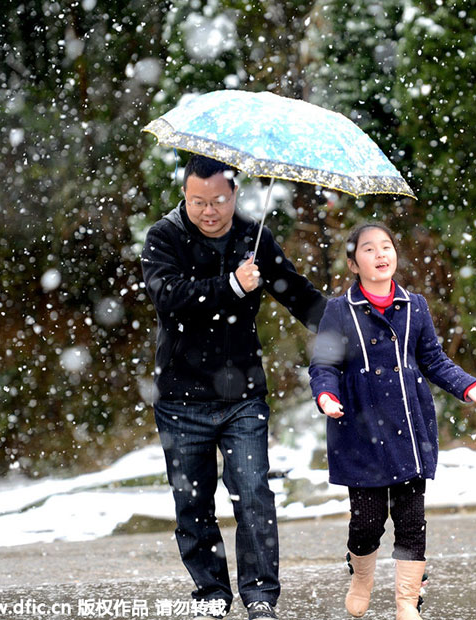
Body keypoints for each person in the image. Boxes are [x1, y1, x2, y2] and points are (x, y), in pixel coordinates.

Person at [141, 155, 326, 620]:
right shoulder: (163, 237)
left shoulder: (253, 236)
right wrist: (232, 285)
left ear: (235, 195)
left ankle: (261, 595)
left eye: (219, 201)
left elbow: (297, 293)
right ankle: (211, 594)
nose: (209, 211)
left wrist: (349, 323)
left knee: (254, 493)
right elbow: (172, 299)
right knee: (192, 503)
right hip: (181, 399)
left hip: (242, 395)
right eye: (198, 201)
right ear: (185, 194)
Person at [308, 223, 476, 620]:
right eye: (368, 249)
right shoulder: (339, 310)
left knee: (412, 521)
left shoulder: (415, 306)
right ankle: (361, 575)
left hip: (410, 428)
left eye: (386, 247)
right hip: (359, 429)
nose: (380, 255)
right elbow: (323, 363)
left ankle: (406, 601)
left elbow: (433, 360)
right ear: (352, 262)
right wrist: (326, 394)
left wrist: (468, 386)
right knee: (367, 523)